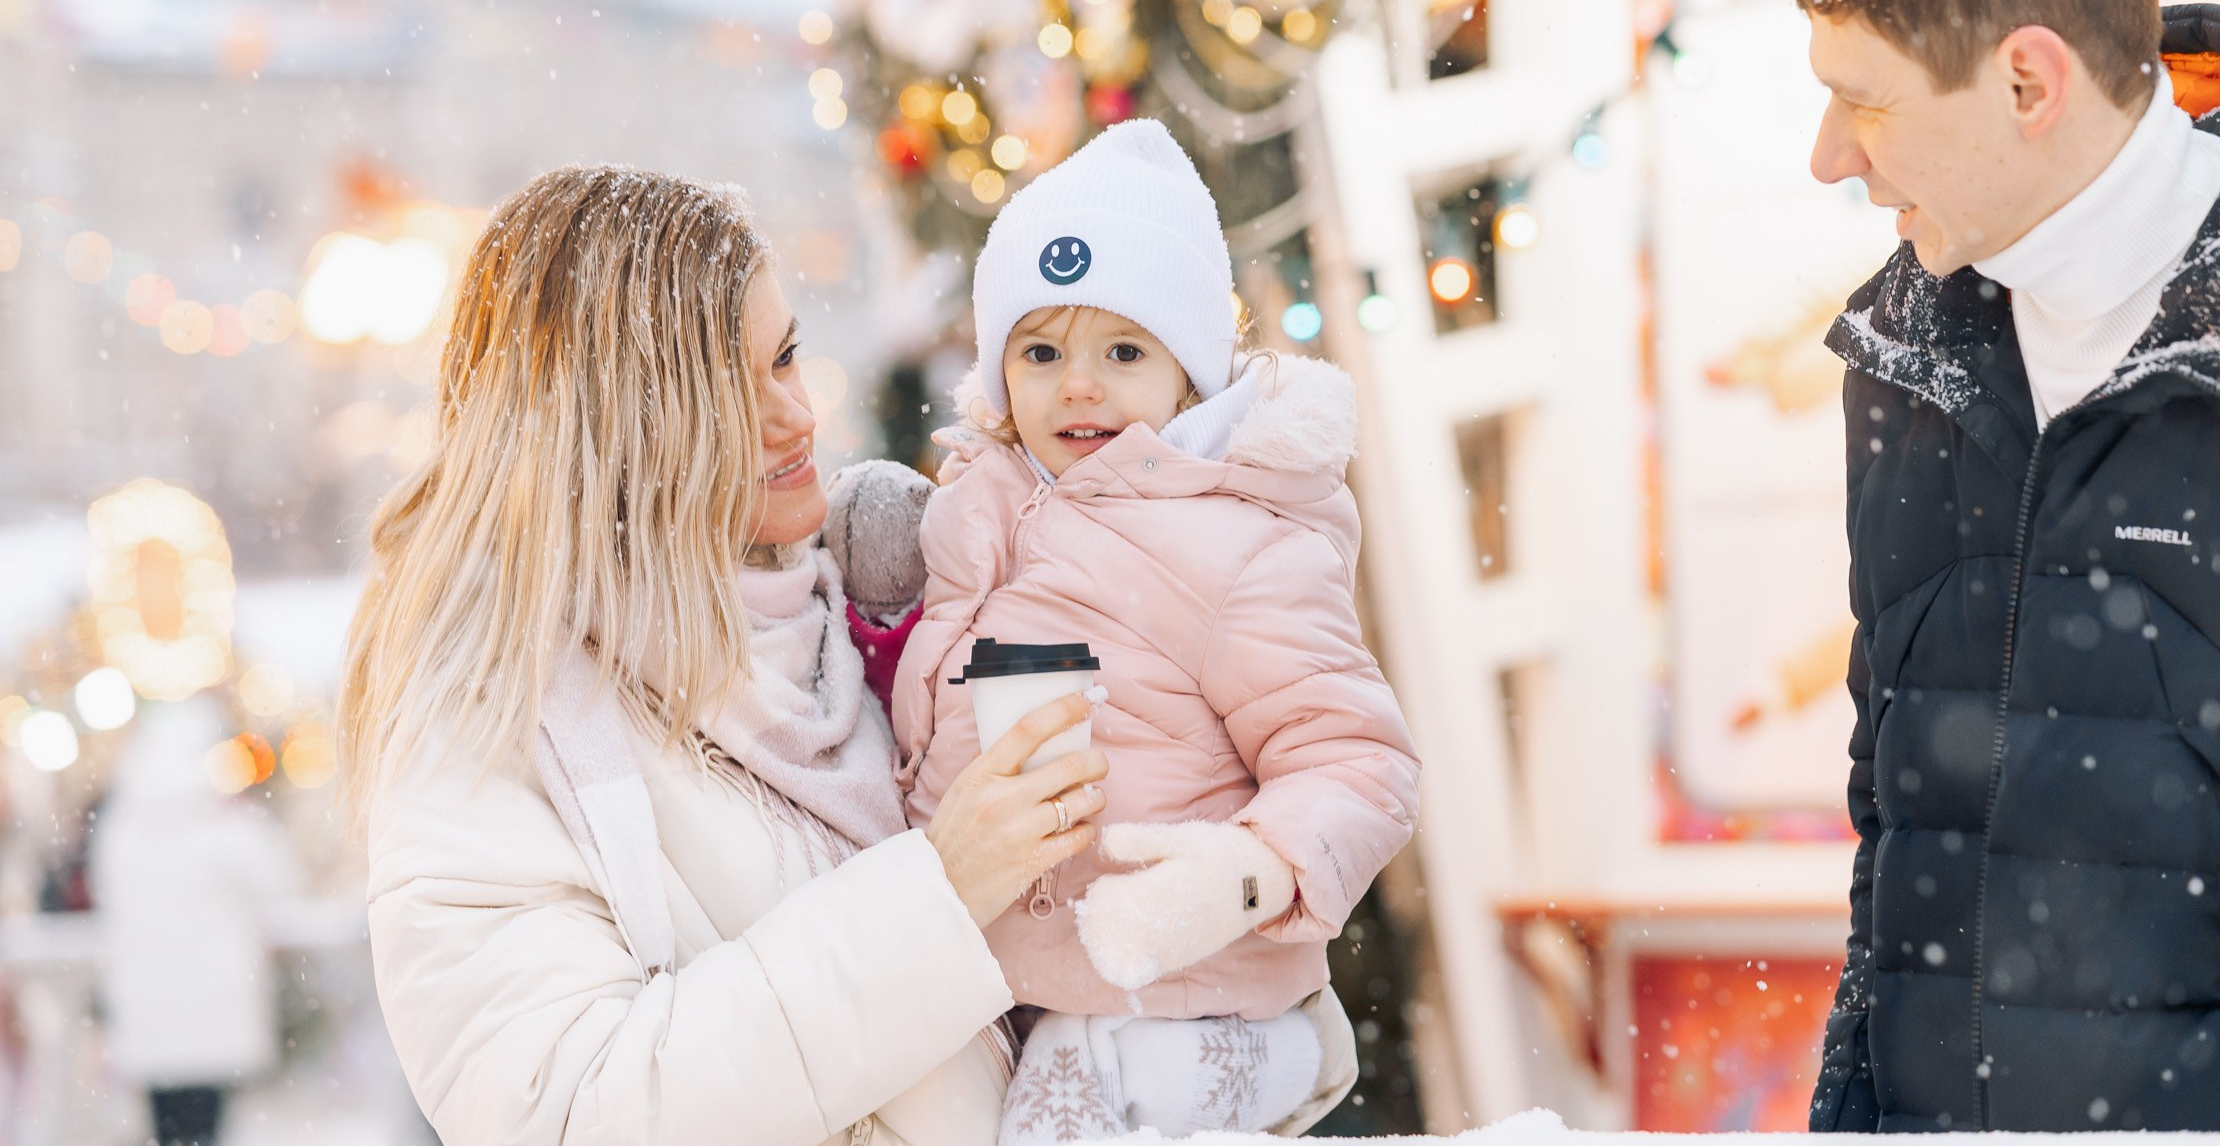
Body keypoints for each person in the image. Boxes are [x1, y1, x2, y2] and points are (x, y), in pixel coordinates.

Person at [1800, 0, 2220, 1131]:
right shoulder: (1905, 360)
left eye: (1869, 99)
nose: (1830, 154)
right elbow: (1895, 825)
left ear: (2029, 82)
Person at [339, 165, 1112, 1146]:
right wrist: (938, 895)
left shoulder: (863, 618)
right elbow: (574, 1114)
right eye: (729, 392)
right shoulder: (486, 722)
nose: (796, 417)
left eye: (785, 357)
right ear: (618, 428)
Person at [891, 120, 1421, 1145]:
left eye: (1123, 350)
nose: (1077, 383)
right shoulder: (977, 511)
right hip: (1010, 982)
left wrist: (1248, 873)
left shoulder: (1235, 541)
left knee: (1059, 1107)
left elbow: (1359, 762)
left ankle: (1278, 1056)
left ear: (1188, 373)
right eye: (1040, 350)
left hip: (1179, 996)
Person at [90, 696, 302, 1146]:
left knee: (165, 1127)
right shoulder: (228, 826)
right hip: (213, 1005)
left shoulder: (120, 827)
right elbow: (281, 885)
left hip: (147, 1005)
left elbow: (104, 892)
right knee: (206, 1127)